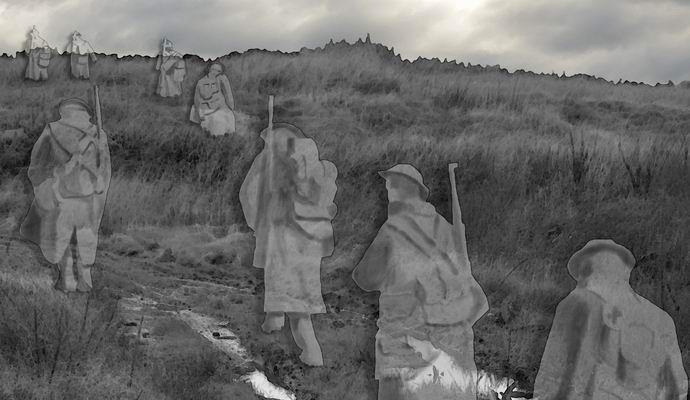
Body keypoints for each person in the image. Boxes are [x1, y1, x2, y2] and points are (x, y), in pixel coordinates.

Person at [352, 164, 488, 400]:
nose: (388, 192)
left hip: (401, 346)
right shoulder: (446, 229)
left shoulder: (394, 228)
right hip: (445, 348)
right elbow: (469, 291)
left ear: (401, 189)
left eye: (390, 186)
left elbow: (364, 277)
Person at [533, 239, 688, 400]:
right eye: (585, 275)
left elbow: (676, 385)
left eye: (600, 269)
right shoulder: (572, 309)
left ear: (624, 272)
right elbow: (550, 374)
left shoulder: (659, 320)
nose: (587, 282)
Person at [239, 116, 337, 366]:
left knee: (294, 298)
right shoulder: (317, 173)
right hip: (309, 246)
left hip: (284, 240)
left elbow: (249, 194)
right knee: (295, 290)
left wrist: (259, 219)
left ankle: (312, 352)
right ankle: (274, 319)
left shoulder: (275, 172)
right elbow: (327, 206)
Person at [20, 97, 111, 293]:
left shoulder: (52, 130)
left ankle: (67, 282)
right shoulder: (98, 133)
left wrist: (45, 188)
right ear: (85, 113)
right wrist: (99, 191)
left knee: (63, 240)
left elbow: (36, 166)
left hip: (61, 195)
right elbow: (105, 172)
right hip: (88, 198)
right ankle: (85, 284)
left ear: (63, 111)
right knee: (85, 237)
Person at [189, 62, 235, 136]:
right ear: (209, 69)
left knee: (225, 117)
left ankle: (219, 136)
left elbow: (228, 94)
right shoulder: (201, 82)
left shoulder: (221, 79)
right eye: (213, 69)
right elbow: (197, 99)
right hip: (206, 109)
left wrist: (231, 107)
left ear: (221, 73)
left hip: (217, 108)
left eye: (218, 71)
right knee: (219, 120)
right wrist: (199, 113)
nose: (215, 72)